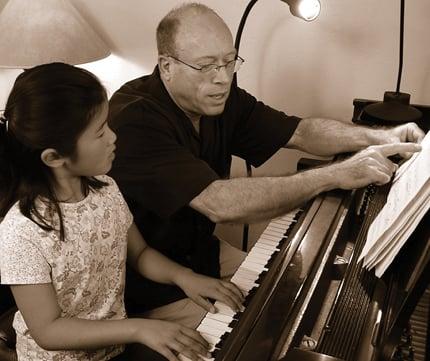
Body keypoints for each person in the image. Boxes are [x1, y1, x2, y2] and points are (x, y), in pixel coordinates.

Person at [107, 2, 424, 331]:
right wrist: (335, 175)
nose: (223, 78)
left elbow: (300, 132)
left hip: (202, 254)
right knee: (265, 332)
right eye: (206, 66)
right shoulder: (134, 121)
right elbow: (220, 202)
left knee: (292, 293)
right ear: (167, 65)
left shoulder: (220, 98)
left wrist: (380, 137)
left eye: (229, 62)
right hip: (150, 288)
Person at [0, 62, 244, 361]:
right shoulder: (21, 232)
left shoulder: (106, 188)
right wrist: (140, 329)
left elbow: (140, 254)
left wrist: (185, 277)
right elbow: (48, 330)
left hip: (116, 347)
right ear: (54, 157)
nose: (114, 137)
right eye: (100, 132)